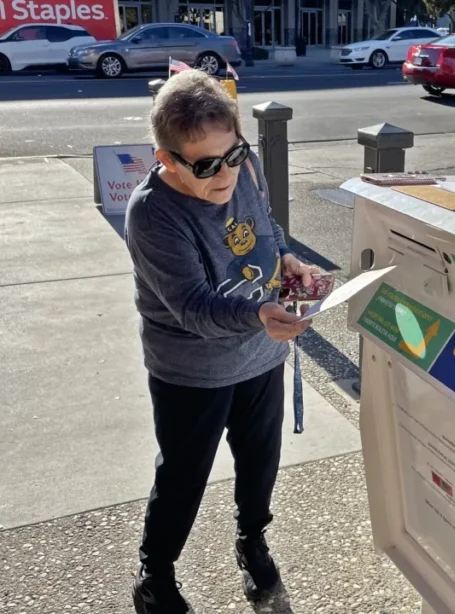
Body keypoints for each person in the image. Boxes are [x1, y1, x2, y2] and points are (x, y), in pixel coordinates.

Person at [124, 69, 317, 614]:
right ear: (167, 160)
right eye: (205, 166)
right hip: (192, 367)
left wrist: (285, 258)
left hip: (260, 353)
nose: (225, 173)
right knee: (184, 476)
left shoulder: (244, 165)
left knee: (261, 462)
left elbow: (265, 223)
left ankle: (252, 540)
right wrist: (260, 312)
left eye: (231, 156)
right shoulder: (152, 212)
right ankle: (155, 573)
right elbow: (193, 309)